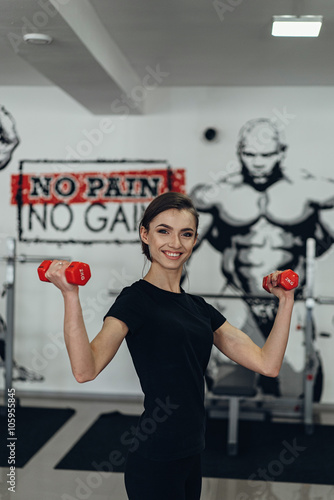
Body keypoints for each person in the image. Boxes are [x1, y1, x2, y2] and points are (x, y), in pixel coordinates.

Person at [45, 191, 295, 500]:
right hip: (155, 457)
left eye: (185, 234)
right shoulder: (135, 300)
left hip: (192, 452)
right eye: (163, 231)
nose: (175, 243)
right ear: (145, 234)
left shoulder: (200, 308)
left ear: (194, 240)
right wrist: (71, 296)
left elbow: (267, 364)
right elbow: (86, 369)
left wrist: (286, 301)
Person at [190, 118, 334, 397]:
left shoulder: (313, 191)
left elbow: (327, 240)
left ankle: (292, 434)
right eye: (249, 154)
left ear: (281, 152)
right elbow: (183, 250)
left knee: (298, 384)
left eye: (266, 155)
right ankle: (231, 434)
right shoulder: (216, 195)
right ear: (239, 153)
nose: (257, 163)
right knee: (226, 381)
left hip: (290, 296)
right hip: (237, 295)